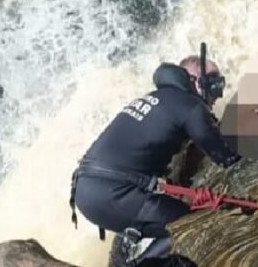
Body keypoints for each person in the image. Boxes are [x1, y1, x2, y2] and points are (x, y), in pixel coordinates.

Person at [70, 52, 241, 264]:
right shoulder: (189, 106)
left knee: (158, 215)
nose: (218, 94)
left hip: (86, 190)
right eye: (214, 83)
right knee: (195, 225)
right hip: (116, 194)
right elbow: (225, 157)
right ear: (196, 81)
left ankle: (123, 256)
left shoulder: (155, 99)